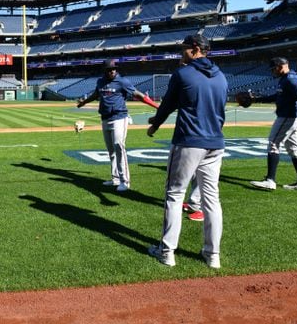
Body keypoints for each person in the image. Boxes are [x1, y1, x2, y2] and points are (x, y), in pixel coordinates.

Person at [146, 34, 227, 268]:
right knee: (212, 200)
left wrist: (155, 125)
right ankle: (213, 255)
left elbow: (168, 105)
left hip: (189, 141)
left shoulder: (183, 73)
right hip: (215, 142)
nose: (181, 52)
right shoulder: (221, 76)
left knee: (174, 194)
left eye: (183, 49)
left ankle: (166, 251)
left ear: (194, 49)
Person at [77, 59, 159, 191]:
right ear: (105, 71)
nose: (112, 71)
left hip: (119, 118)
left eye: (114, 69)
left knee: (119, 146)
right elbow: (96, 94)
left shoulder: (122, 81)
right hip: (105, 118)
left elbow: (138, 95)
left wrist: (156, 106)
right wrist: (84, 102)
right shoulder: (100, 81)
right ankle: (115, 178)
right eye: (109, 69)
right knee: (111, 151)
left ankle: (125, 181)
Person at [250, 57, 297, 192]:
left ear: (280, 66)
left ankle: (270, 180)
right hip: (291, 117)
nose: (272, 72)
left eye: (273, 69)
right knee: (294, 148)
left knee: (273, 143)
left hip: (288, 117)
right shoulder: (286, 79)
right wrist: (257, 99)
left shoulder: (291, 79)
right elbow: (278, 96)